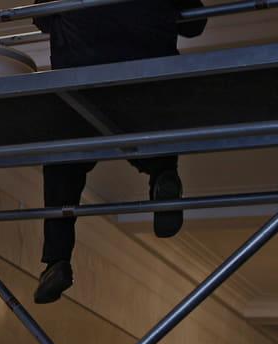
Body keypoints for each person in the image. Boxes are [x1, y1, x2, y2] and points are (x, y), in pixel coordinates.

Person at [31, 0, 208, 304]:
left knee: (63, 164)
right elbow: (195, 25)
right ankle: (163, 174)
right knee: (153, 133)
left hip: (81, 83)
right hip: (144, 80)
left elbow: (40, 17)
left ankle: (56, 260)